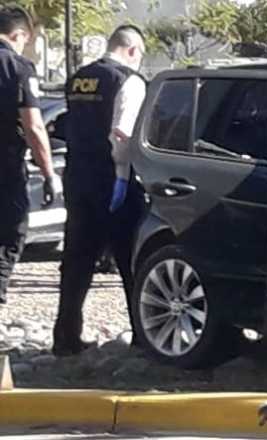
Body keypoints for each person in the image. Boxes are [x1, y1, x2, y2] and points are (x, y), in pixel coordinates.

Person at [54, 25, 147, 356]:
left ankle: (65, 337)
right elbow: (122, 135)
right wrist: (123, 175)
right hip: (112, 179)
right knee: (131, 260)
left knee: (76, 259)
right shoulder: (128, 80)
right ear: (133, 50)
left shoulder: (79, 77)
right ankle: (143, 335)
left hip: (78, 176)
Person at [0, 6, 59, 305]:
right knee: (12, 231)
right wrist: (49, 174)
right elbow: (34, 126)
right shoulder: (18, 67)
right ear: (19, 35)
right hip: (5, 168)